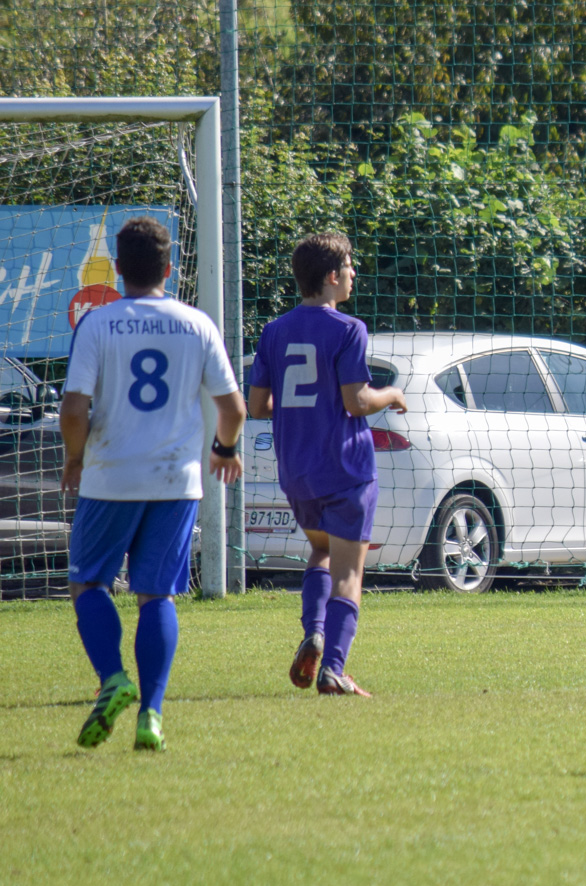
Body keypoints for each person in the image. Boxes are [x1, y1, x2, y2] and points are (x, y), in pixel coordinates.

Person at [61, 216, 245, 752]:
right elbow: (233, 408)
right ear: (170, 268)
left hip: (111, 476)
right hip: (176, 481)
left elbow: (73, 408)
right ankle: (152, 714)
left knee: (88, 583)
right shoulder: (197, 324)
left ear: (118, 268)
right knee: (156, 595)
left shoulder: (98, 323)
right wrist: (224, 449)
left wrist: (75, 457)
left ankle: (113, 679)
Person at [247, 232, 406, 698]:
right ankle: (334, 668)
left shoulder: (274, 331)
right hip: (346, 468)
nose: (355, 273)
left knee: (320, 551)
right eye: (350, 265)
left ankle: (313, 632)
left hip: (297, 470)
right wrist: (391, 394)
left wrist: (302, 407)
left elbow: (257, 405)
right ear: (332, 276)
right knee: (350, 573)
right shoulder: (349, 328)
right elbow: (357, 402)